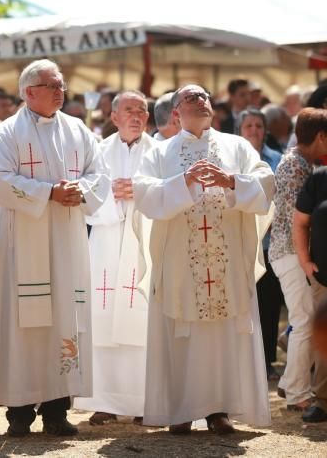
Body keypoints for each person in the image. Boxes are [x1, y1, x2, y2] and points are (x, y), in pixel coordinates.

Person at [134, 84, 274, 434]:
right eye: (192, 97)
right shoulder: (161, 152)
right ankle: (180, 410)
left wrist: (230, 181)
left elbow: (266, 184)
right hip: (182, 258)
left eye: (205, 96)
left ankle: (218, 409)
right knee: (183, 334)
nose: (201, 100)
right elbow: (145, 194)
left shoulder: (236, 146)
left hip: (225, 258)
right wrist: (183, 182)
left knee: (220, 336)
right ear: (176, 112)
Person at [0, 59, 107, 437]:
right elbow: (0, 180)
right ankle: (19, 413)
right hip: (24, 239)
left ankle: (57, 411)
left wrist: (80, 192)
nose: (61, 92)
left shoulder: (78, 129)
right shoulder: (7, 132)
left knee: (62, 319)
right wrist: (49, 192)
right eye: (52, 86)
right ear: (29, 91)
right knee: (23, 323)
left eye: (61, 86)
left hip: (65, 236)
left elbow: (97, 173)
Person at [73, 90, 156, 424]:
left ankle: (147, 402)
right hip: (106, 243)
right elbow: (83, 193)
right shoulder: (98, 151)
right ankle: (105, 401)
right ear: (114, 116)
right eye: (128, 110)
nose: (136, 116)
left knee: (145, 323)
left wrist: (142, 191)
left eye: (142, 110)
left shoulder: (159, 151)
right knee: (103, 321)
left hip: (144, 243)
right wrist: (111, 195)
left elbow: (170, 191)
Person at [270, 108, 327, 421]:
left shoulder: (302, 162)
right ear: (320, 137)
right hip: (290, 252)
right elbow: (299, 219)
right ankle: (297, 392)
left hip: (293, 253)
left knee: (303, 319)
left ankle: (294, 386)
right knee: (304, 320)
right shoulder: (295, 165)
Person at [238, 108, 286, 385]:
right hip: (240, 244)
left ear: (265, 129)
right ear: (241, 129)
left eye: (258, 125)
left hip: (267, 244)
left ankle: (267, 361)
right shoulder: (232, 157)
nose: (253, 130)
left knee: (268, 308)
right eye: (248, 125)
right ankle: (243, 361)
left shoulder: (276, 160)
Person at [296, 159, 327, 417]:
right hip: (324, 278)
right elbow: (300, 222)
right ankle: (322, 401)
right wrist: (305, 262)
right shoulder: (318, 179)